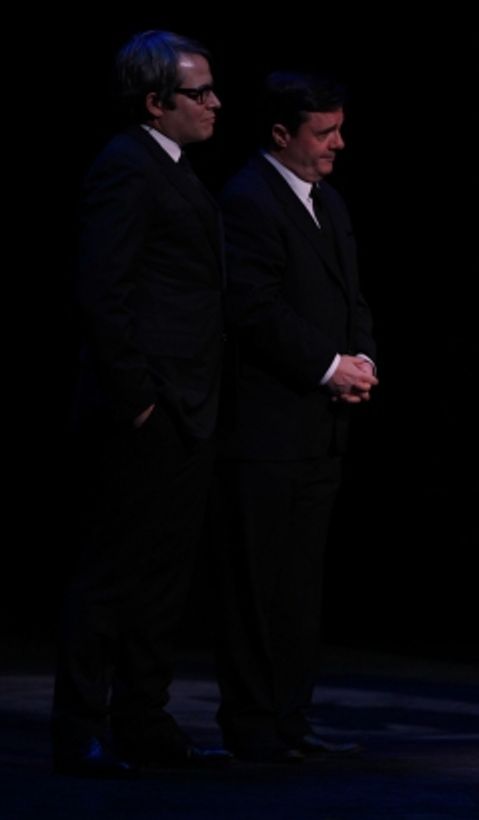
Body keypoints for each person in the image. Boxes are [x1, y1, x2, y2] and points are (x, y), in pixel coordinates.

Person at [55, 30, 231, 776]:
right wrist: (139, 401)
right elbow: (103, 289)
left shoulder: (177, 170)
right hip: (146, 410)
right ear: (156, 102)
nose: (216, 102)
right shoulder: (127, 167)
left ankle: (144, 719)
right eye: (200, 92)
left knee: (162, 580)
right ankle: (82, 729)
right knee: (113, 575)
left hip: (186, 405)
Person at [214, 71, 377, 763]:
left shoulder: (328, 203)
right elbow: (252, 309)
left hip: (320, 428)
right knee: (258, 584)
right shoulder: (248, 201)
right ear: (282, 134)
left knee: (300, 585)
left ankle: (290, 719)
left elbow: (350, 296)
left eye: (339, 128)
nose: (338, 143)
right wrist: (326, 367)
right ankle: (253, 725)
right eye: (324, 132)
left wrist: (361, 359)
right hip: (267, 429)